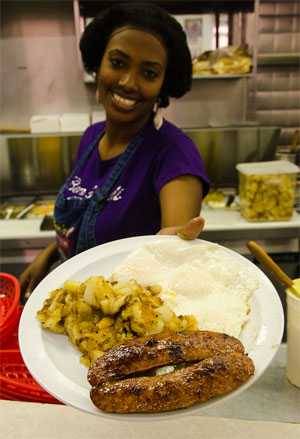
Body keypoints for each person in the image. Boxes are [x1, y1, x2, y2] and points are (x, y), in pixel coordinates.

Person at [20, 2, 210, 300]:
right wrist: (50, 255)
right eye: (118, 63)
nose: (127, 82)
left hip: (125, 319)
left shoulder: (174, 153)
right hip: (73, 295)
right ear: (99, 64)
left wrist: (174, 249)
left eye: (148, 73)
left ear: (163, 84)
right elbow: (82, 217)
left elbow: (173, 260)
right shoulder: (91, 137)